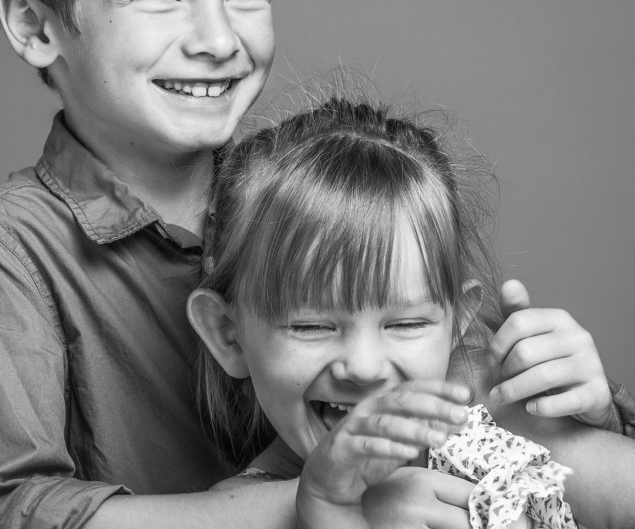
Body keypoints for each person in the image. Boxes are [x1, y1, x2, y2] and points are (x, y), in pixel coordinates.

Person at [0, 0, 633, 527]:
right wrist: (319, 504)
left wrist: (592, 413)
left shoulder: (322, 187)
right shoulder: (5, 243)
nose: (215, 38)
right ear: (33, 23)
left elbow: (482, 390)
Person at [186, 96, 635, 528]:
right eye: (311, 326)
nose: (364, 368)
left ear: (456, 324)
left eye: (406, 323)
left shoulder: (489, 436)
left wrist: (599, 423)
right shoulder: (240, 511)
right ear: (229, 334)